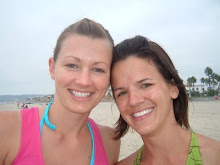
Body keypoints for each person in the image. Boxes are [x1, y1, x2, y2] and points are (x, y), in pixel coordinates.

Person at [0, 18, 120, 165]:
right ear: (52, 68)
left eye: (98, 69)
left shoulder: (109, 141)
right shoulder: (6, 130)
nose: (84, 81)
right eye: (72, 65)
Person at [111, 35, 220, 165]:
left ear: (173, 88)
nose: (133, 101)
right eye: (122, 93)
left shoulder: (215, 156)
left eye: (146, 85)